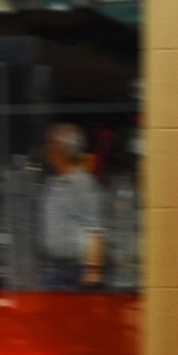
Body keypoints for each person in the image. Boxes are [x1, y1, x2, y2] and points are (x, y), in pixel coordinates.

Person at [38, 123, 105, 289]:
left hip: (74, 273)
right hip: (50, 269)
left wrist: (93, 270)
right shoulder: (51, 182)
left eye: (52, 143)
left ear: (63, 149)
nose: (47, 148)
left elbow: (95, 229)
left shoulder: (82, 184)